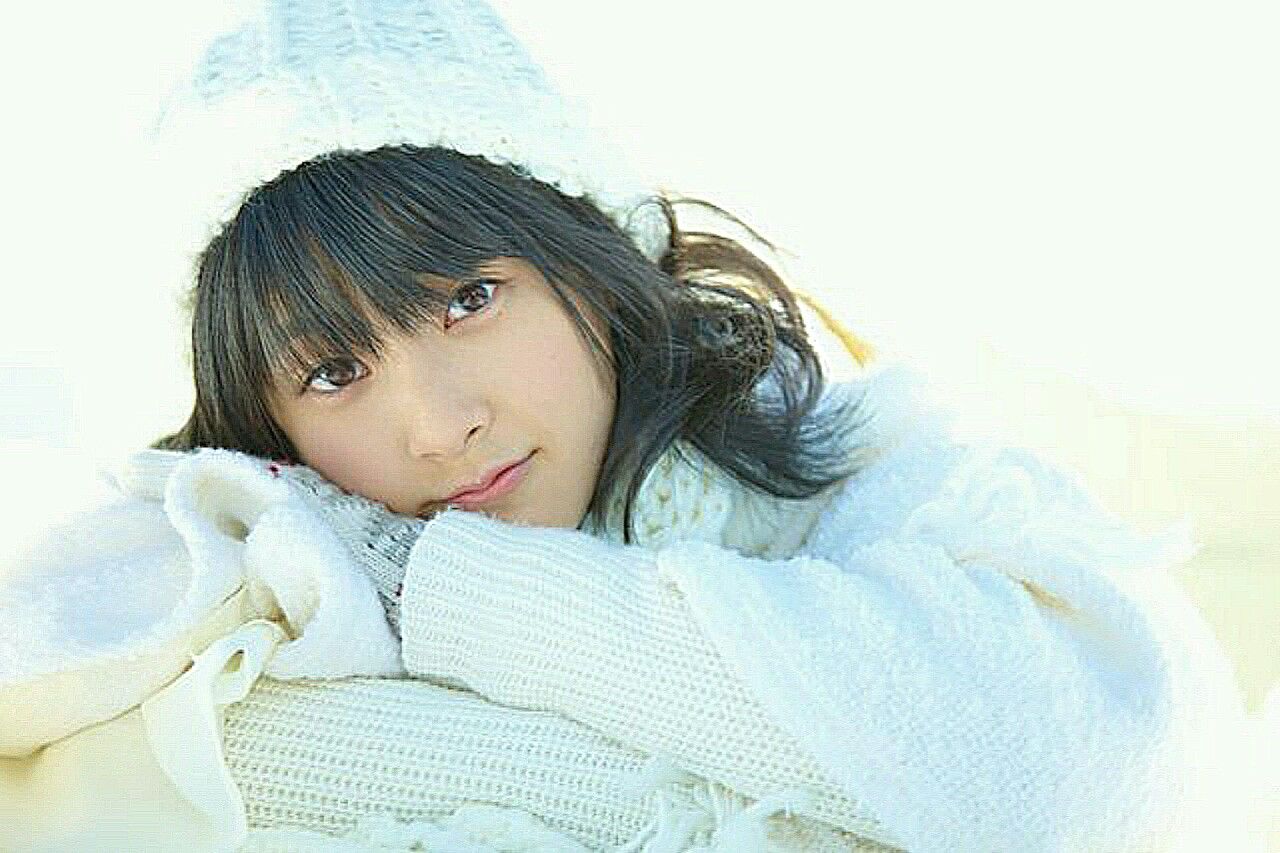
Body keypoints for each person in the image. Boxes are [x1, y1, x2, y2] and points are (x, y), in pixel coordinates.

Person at [0, 0, 1256, 851]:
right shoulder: (241, 568)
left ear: (590, 263)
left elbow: (1074, 768)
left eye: (468, 299)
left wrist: (438, 586)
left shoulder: (861, 462)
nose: (436, 425)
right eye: (333, 371)